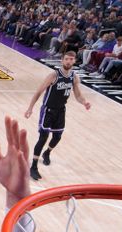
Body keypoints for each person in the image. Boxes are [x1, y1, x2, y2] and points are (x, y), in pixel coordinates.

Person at [24, 50, 91, 181]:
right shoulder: (53, 75)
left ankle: (47, 152)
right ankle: (33, 167)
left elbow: (78, 95)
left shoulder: (74, 77)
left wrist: (85, 102)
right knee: (43, 137)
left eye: (71, 59)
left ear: (74, 61)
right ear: (62, 60)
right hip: (48, 110)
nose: (69, 61)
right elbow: (38, 92)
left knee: (57, 137)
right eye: (67, 59)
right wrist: (30, 108)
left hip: (61, 111)